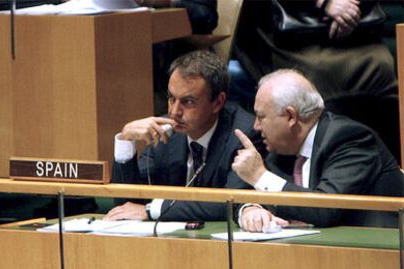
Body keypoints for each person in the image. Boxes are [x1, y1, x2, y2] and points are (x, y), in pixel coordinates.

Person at [231, 69, 404, 232]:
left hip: (380, 251)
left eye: (261, 116)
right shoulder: (281, 149)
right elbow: (251, 191)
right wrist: (250, 209)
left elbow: (325, 210)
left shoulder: (350, 140)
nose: (256, 126)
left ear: (291, 117)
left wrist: (259, 176)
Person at [232, 0, 401, 162]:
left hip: (353, 31)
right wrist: (325, 3)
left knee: (381, 65)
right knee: (318, 75)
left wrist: (350, 10)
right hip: (286, 34)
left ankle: (387, 165)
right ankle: (320, 165)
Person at [104, 50, 262, 222]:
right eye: (172, 98)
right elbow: (125, 204)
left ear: (218, 102)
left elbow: (231, 202)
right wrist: (126, 142)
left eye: (188, 102)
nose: (174, 112)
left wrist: (152, 210)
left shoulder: (245, 135)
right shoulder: (165, 131)